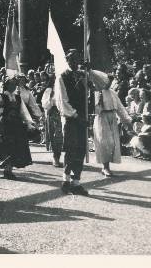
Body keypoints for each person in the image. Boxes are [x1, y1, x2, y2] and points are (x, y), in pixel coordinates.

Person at [54, 49, 90, 196]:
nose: (75, 62)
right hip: (71, 118)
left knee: (81, 149)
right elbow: (62, 101)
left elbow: (99, 85)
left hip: (82, 117)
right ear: (67, 60)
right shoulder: (62, 77)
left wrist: (90, 72)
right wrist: (76, 116)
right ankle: (66, 180)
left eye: (77, 59)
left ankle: (76, 182)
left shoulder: (83, 75)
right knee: (71, 148)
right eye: (72, 59)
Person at [89, 70, 132, 177]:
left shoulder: (112, 93)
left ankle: (107, 165)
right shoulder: (95, 93)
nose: (109, 83)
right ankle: (105, 167)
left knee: (112, 143)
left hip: (112, 117)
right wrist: (98, 100)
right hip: (101, 117)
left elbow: (120, 107)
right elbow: (95, 110)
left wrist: (127, 120)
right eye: (108, 81)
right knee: (105, 142)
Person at [0, 77, 35, 179]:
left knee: (15, 146)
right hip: (5, 124)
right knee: (6, 145)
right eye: (10, 84)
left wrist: (29, 123)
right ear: (6, 85)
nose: (13, 86)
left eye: (14, 84)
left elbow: (23, 112)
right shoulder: (1, 97)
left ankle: (9, 169)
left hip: (16, 124)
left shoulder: (18, 98)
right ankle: (7, 169)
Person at [42, 75, 64, 167]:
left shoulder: (63, 90)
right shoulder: (49, 91)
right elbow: (45, 104)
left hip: (62, 114)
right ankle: (56, 157)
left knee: (61, 136)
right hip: (53, 115)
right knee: (55, 137)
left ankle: (59, 156)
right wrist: (50, 98)